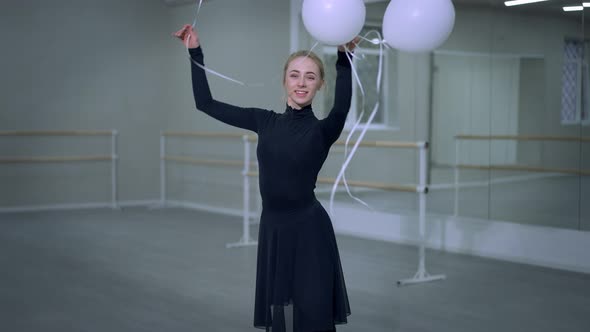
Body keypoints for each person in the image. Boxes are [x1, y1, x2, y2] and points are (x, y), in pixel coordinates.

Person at [174, 24, 357, 332]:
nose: (302, 83)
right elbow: (205, 103)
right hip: (274, 228)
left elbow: (342, 105)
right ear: (284, 80)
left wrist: (344, 56)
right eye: (295, 75)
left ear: (320, 85)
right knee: (281, 316)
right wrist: (195, 51)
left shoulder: (324, 130)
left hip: (310, 231)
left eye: (310, 76)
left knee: (312, 311)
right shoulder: (264, 121)